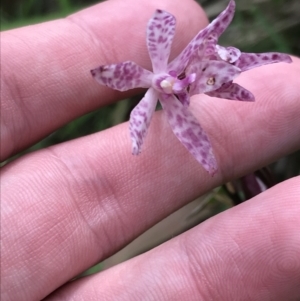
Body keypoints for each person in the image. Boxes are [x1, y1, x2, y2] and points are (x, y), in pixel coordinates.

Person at [1, 0, 299, 300]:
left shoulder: (185, 80)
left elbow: (200, 79)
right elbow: (150, 123)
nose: (176, 84)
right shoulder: (160, 94)